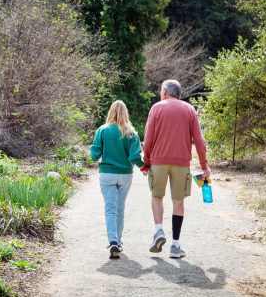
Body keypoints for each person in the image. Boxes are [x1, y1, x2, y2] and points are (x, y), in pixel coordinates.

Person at [141, 80, 210, 259]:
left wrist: (146, 161)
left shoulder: (156, 108)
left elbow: (148, 138)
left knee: (157, 197)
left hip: (158, 161)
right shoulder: (189, 110)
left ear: (165, 92)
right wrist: (204, 166)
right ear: (178, 93)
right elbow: (199, 141)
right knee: (178, 202)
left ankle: (158, 231)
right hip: (181, 163)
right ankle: (175, 245)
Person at [90, 100, 144, 259]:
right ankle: (118, 242)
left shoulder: (102, 130)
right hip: (125, 174)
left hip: (107, 174)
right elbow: (135, 156)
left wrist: (95, 151)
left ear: (110, 112)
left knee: (110, 208)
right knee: (120, 208)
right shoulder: (131, 132)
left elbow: (94, 155)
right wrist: (144, 167)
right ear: (125, 113)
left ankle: (113, 240)